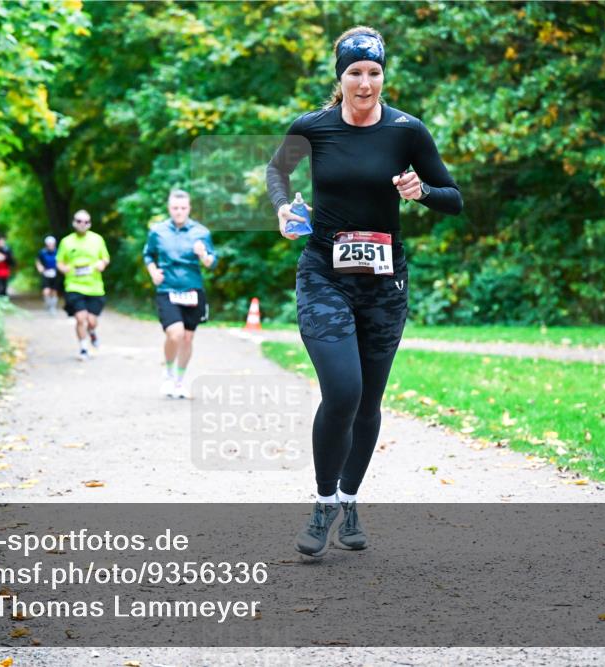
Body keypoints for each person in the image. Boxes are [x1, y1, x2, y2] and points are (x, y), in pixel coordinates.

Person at [266, 26, 463, 557]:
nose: (365, 82)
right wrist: (283, 208)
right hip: (324, 276)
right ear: (341, 77)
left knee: (369, 400)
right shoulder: (314, 127)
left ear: (383, 75)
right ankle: (323, 500)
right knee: (343, 392)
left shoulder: (406, 131)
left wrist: (421, 192)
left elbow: (454, 198)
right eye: (355, 72)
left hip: (384, 284)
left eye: (374, 72)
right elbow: (276, 169)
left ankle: (349, 498)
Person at [142, 189, 217, 399]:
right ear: (169, 208)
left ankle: (179, 381)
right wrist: (153, 271)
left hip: (193, 290)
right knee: (175, 333)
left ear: (189, 208)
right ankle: (167, 372)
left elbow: (212, 261)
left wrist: (203, 254)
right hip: (167, 289)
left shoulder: (201, 232)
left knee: (187, 338)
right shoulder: (158, 231)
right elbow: (148, 254)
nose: (179, 212)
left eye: (183, 208)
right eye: (175, 208)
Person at [56, 210, 110, 361]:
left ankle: (92, 332)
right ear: (74, 223)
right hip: (74, 286)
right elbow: (59, 262)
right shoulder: (66, 242)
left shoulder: (97, 239)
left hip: (95, 287)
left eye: (86, 222)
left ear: (90, 224)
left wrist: (102, 264)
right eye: (79, 221)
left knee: (92, 321)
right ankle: (83, 348)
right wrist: (63, 268)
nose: (82, 224)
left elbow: (105, 258)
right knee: (81, 318)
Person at [35, 235, 62, 314]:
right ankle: (48, 304)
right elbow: (38, 261)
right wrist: (39, 267)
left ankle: (53, 307)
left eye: (52, 244)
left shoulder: (58, 252)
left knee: (54, 291)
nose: (50, 245)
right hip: (46, 273)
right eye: (49, 244)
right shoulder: (42, 252)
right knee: (46, 291)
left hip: (55, 273)